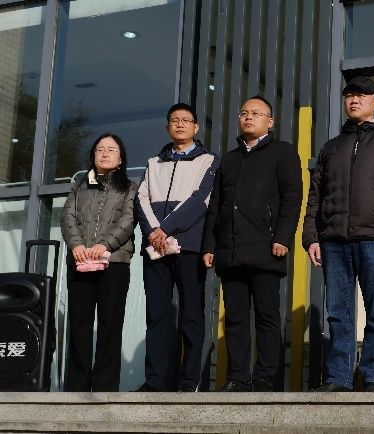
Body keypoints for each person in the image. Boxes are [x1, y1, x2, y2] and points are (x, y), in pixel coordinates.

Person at [303, 76, 374, 392]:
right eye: (349, 95)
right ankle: (339, 378)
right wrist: (311, 237)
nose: (353, 99)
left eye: (361, 95)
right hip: (334, 239)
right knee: (338, 314)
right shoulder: (331, 147)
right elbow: (316, 195)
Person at [201, 96, 302, 392]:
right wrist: (209, 245)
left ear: (270, 122)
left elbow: (292, 198)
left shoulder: (283, 152)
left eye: (256, 113)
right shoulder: (229, 159)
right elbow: (216, 205)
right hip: (230, 250)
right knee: (234, 319)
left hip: (266, 247)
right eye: (244, 112)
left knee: (267, 316)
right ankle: (238, 378)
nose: (248, 117)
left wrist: (282, 237)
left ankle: (266, 378)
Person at [134, 103, 220, 392]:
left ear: (196, 127)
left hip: (189, 247)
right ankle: (156, 381)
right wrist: (153, 232)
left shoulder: (209, 161)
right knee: (157, 316)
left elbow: (200, 200)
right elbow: (141, 199)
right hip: (156, 248)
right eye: (174, 120)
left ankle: (189, 381)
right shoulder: (153, 163)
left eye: (186, 120)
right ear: (167, 127)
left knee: (191, 316)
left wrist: (165, 228)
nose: (180, 124)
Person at [60, 133, 138, 392]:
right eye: (100, 149)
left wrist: (104, 245)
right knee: (79, 325)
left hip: (114, 263)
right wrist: (77, 246)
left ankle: (105, 388)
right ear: (93, 155)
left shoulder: (130, 188)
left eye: (111, 150)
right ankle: (77, 387)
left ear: (120, 159)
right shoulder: (79, 185)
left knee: (110, 326)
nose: (104, 153)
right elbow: (67, 217)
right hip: (80, 262)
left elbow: (128, 221)